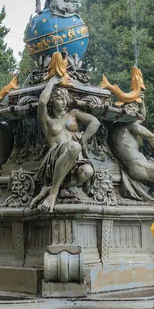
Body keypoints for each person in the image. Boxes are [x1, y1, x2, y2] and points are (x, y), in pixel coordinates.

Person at [30, 76, 100, 212]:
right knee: (73, 146)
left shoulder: (73, 114)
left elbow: (95, 122)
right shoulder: (47, 121)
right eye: (60, 99)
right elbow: (42, 103)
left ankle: (50, 188)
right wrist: (51, 82)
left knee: (88, 171)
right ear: (52, 100)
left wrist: (83, 139)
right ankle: (53, 195)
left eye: (65, 99)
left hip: (74, 157)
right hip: (55, 157)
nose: (64, 102)